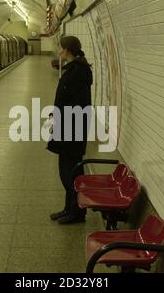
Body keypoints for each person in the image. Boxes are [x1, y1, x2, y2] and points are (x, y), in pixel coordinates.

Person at [47, 36, 93, 224]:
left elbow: (78, 103)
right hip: (66, 125)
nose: (58, 50)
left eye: (60, 48)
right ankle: (69, 208)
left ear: (67, 50)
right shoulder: (74, 69)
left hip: (72, 128)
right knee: (66, 170)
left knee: (71, 172)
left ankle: (77, 212)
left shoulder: (79, 72)